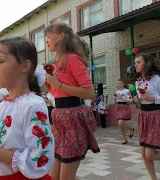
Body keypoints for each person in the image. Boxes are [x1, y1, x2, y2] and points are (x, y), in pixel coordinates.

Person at [0, 37, 54, 180]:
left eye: (0, 61)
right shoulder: (3, 105)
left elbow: (41, 159)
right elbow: (10, 143)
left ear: (24, 66)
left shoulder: (33, 105)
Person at [44, 22, 100, 180]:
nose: (46, 41)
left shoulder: (72, 59)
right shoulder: (58, 62)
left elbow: (89, 93)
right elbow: (60, 94)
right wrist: (50, 86)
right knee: (53, 176)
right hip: (60, 119)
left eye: (49, 36)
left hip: (72, 119)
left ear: (61, 36)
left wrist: (57, 84)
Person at [130, 53, 160, 179]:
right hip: (143, 116)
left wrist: (153, 98)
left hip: (155, 116)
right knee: (143, 152)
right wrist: (138, 100)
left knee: (150, 154)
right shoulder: (138, 82)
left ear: (147, 63)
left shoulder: (158, 79)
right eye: (135, 63)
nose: (136, 65)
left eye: (139, 62)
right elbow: (143, 99)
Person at [114, 79, 134, 144]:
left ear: (124, 83)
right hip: (118, 107)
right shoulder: (117, 92)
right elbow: (115, 101)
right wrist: (114, 100)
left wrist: (123, 99)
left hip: (124, 107)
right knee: (120, 125)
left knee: (120, 123)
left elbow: (130, 100)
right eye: (118, 84)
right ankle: (124, 139)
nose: (119, 85)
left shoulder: (127, 91)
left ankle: (130, 129)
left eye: (120, 83)